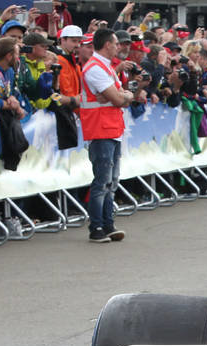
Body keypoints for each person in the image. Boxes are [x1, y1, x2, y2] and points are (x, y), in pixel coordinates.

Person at [80, 27, 134, 243]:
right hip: (100, 129)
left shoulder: (105, 67)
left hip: (111, 128)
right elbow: (120, 98)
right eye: (115, 43)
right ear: (106, 44)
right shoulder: (95, 68)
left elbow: (121, 95)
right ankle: (97, 227)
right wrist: (121, 96)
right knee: (102, 180)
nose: (119, 47)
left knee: (111, 180)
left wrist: (121, 95)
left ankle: (107, 223)